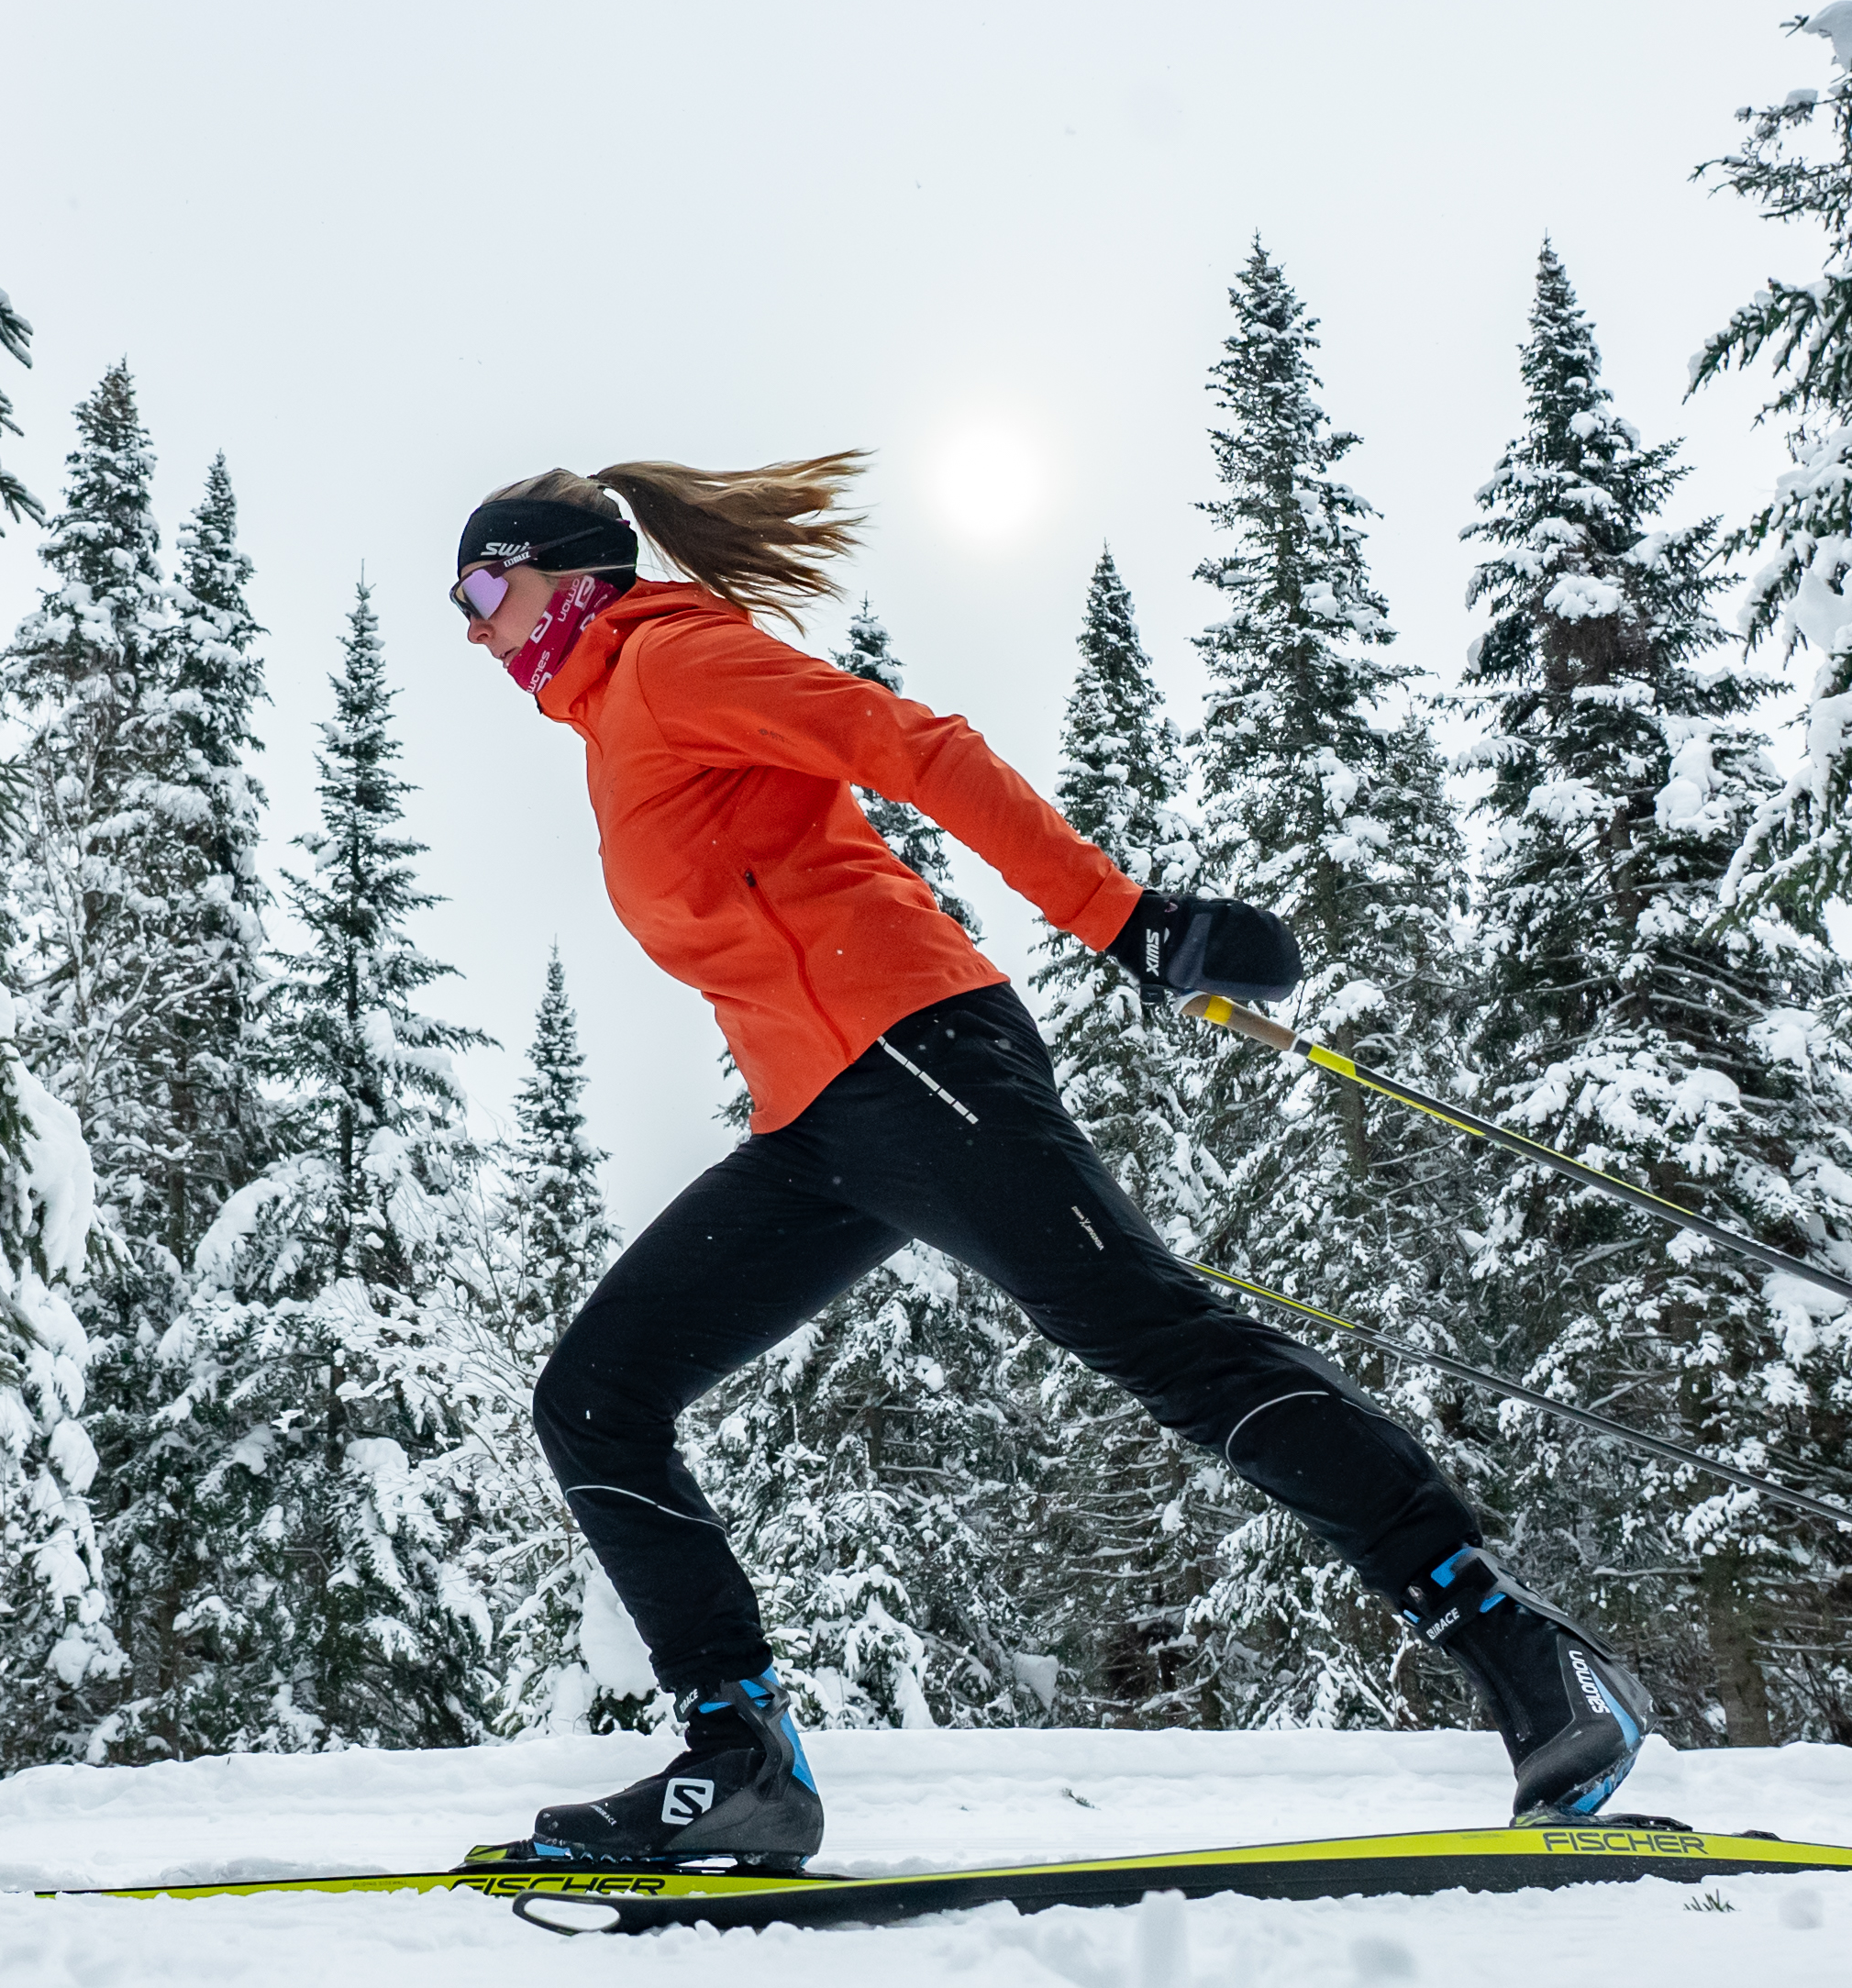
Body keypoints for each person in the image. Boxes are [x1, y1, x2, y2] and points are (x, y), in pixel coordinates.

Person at [453, 453, 1651, 1869]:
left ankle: (1527, 1659)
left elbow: (919, 747)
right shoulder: (623, 717)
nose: (474, 626)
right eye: (460, 603)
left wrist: (1126, 921)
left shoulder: (670, 660)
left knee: (1161, 1342)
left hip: (914, 1056)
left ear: (571, 575)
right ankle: (741, 1759)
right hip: (820, 1123)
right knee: (598, 1397)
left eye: (484, 585)